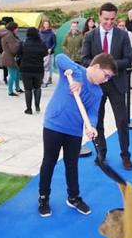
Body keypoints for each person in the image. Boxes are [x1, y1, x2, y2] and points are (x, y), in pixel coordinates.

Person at [38, 52, 117, 217]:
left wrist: (92, 126)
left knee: (71, 164)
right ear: (96, 67)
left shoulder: (98, 92)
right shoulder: (73, 72)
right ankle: (43, 197)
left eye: (109, 78)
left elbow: (93, 114)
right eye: (106, 75)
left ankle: (73, 197)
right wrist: (79, 78)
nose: (106, 80)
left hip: (74, 130)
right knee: (49, 161)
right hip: (54, 124)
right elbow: (59, 57)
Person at [82, 2, 132, 170]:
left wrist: (109, 68)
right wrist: (100, 71)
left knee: (122, 121)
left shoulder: (122, 35)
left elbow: (128, 59)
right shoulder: (90, 36)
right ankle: (101, 153)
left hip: (117, 85)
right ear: (99, 16)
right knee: (98, 121)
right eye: (106, 19)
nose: (109, 22)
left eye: (112, 19)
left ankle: (125, 155)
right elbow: (85, 59)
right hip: (97, 86)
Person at [18, 27, 48, 114]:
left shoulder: (23, 43)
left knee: (28, 89)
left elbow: (18, 53)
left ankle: (29, 108)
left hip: (26, 69)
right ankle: (37, 106)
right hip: (38, 69)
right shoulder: (42, 44)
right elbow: (45, 53)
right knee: (37, 87)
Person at [0, 21, 23, 96]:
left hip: (9, 56)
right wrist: (20, 45)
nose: (17, 30)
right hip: (9, 57)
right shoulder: (9, 36)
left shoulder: (8, 34)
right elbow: (13, 49)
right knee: (13, 74)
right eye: (16, 28)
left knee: (17, 73)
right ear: (13, 28)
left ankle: (17, 88)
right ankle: (10, 91)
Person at [39, 20, 57, 87]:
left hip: (50, 53)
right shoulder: (40, 33)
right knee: (42, 66)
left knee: (50, 66)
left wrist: (51, 49)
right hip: (42, 53)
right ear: (43, 25)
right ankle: (42, 79)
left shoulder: (52, 34)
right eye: (45, 24)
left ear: (49, 25)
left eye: (47, 24)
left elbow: (54, 43)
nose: (46, 25)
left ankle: (49, 78)